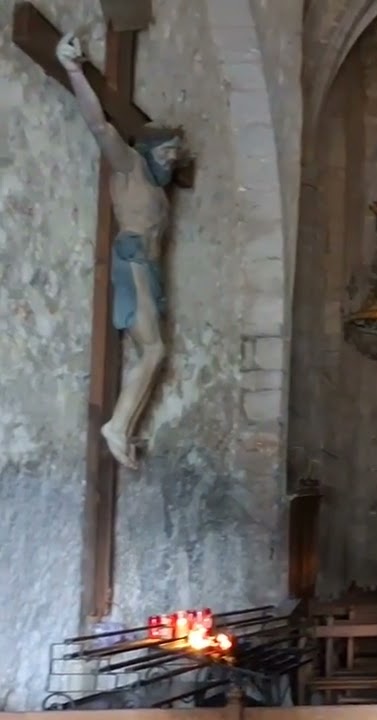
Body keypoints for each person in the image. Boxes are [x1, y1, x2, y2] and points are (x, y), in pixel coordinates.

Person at [56, 31, 187, 469]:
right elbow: (100, 126)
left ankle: (123, 426)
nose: (171, 160)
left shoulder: (160, 194)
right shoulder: (130, 167)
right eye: (167, 151)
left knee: (155, 350)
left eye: (175, 154)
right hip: (132, 258)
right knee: (155, 350)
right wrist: (72, 69)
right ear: (148, 149)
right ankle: (117, 426)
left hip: (149, 268)